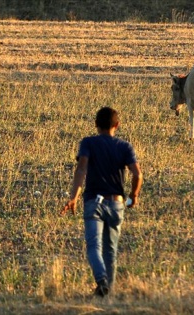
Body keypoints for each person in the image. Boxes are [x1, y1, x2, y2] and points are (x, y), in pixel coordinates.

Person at [61, 106, 143, 297]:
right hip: (117, 204)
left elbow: (81, 170)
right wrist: (134, 196)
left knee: (93, 247)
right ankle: (108, 292)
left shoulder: (88, 143)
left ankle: (102, 281)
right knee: (111, 250)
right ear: (117, 125)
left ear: (96, 125)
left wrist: (73, 197)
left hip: (94, 203)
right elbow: (138, 174)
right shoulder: (124, 146)